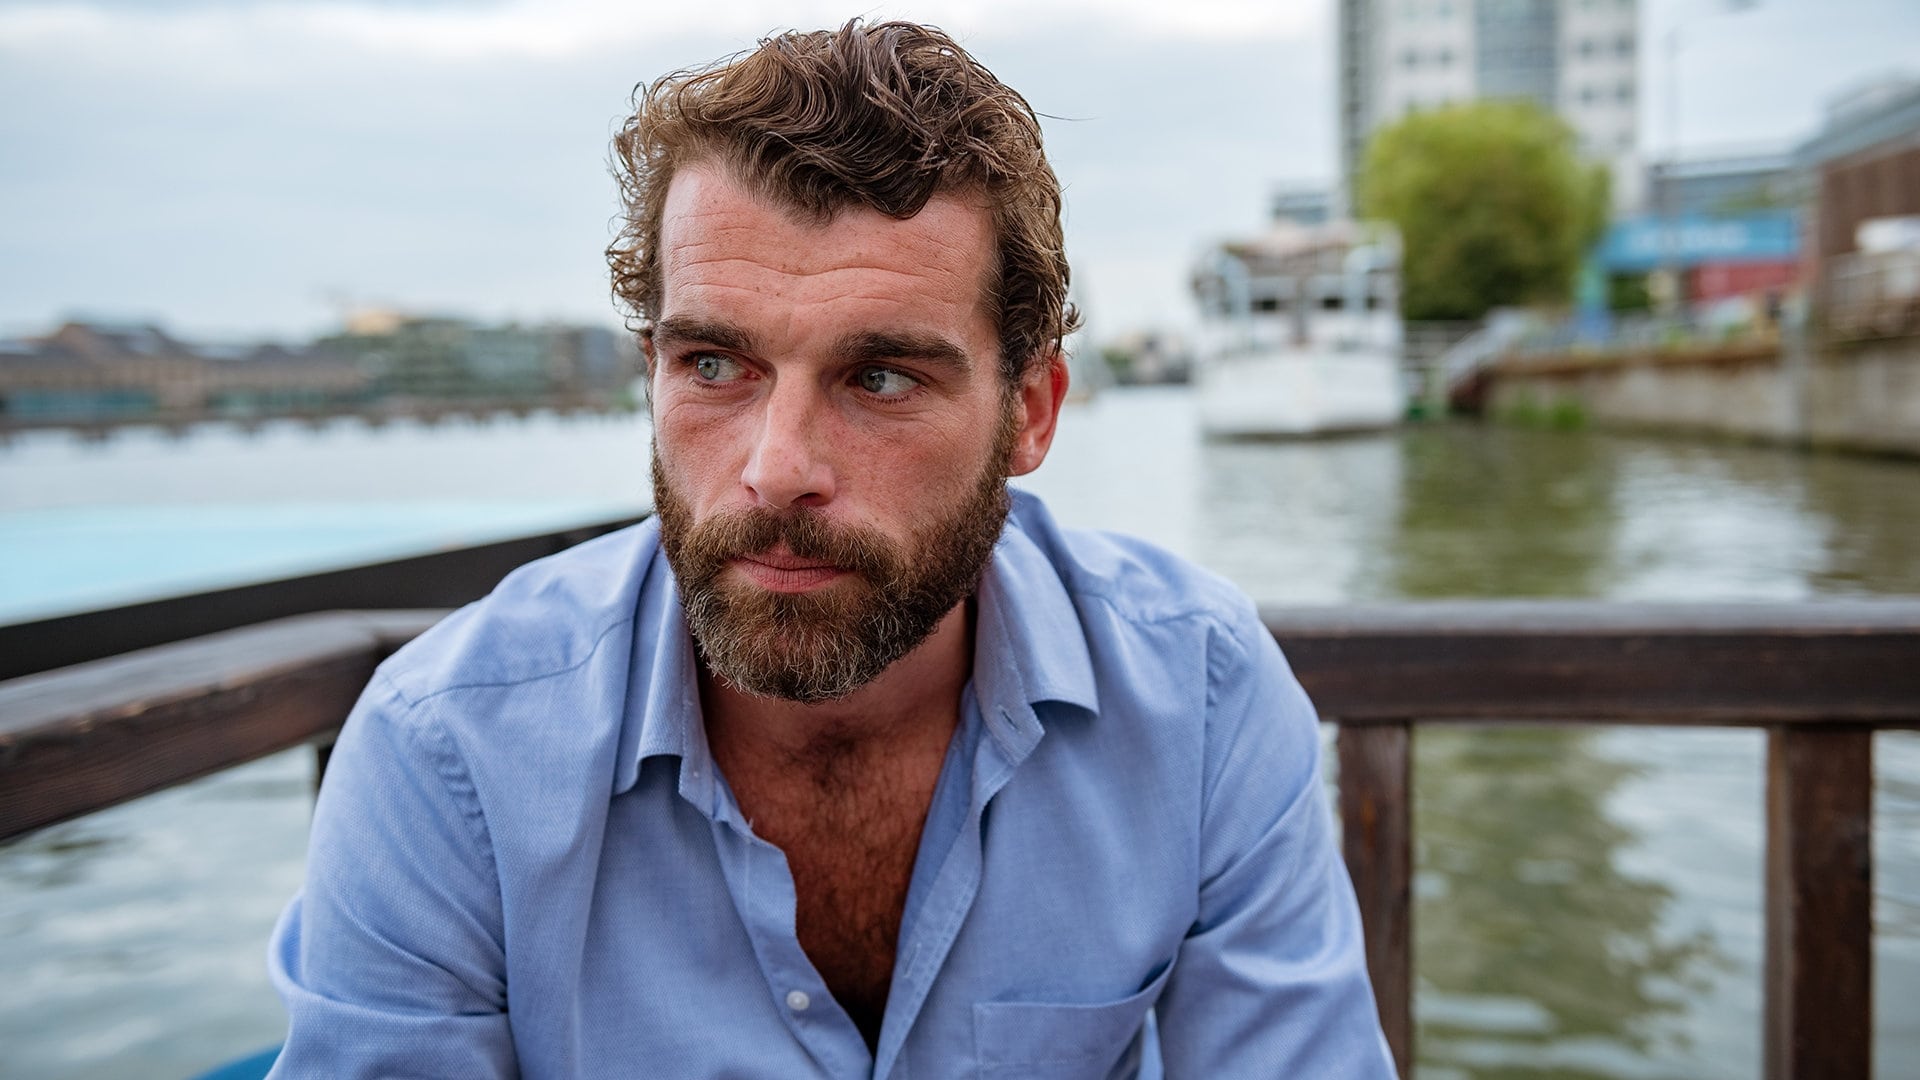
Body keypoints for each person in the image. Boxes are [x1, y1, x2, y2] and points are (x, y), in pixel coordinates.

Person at [267, 20, 1396, 1079]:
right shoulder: (450, 752)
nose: (777, 468)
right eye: (715, 366)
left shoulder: (1196, 695)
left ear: (1031, 412)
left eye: (882, 377)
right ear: (654, 373)